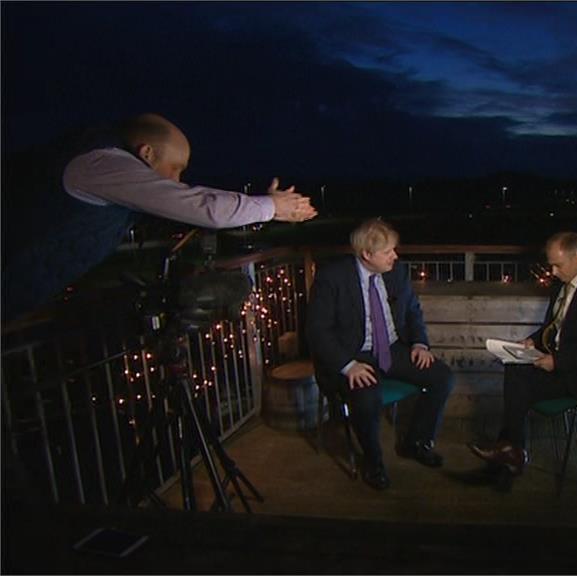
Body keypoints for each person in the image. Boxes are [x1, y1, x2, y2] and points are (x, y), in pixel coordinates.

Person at [1, 113, 317, 323]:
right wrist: (272, 207)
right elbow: (201, 206)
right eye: (176, 168)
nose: (177, 181)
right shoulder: (102, 164)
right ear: (147, 153)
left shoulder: (108, 177)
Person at [305, 218, 454, 490]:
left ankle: (416, 443)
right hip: (352, 354)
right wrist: (347, 365)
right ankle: (373, 462)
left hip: (392, 348)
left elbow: (413, 311)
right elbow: (317, 331)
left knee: (441, 377)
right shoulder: (332, 277)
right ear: (366, 254)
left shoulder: (397, 272)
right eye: (387, 252)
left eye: (393, 250)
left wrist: (420, 344)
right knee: (366, 395)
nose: (394, 256)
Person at [468, 231, 577, 481]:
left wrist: (558, 361)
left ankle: (511, 450)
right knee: (514, 370)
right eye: (551, 265)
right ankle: (511, 451)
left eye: (558, 265)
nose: (553, 271)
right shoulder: (561, 285)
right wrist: (533, 341)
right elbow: (555, 326)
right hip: (560, 361)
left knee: (518, 383)